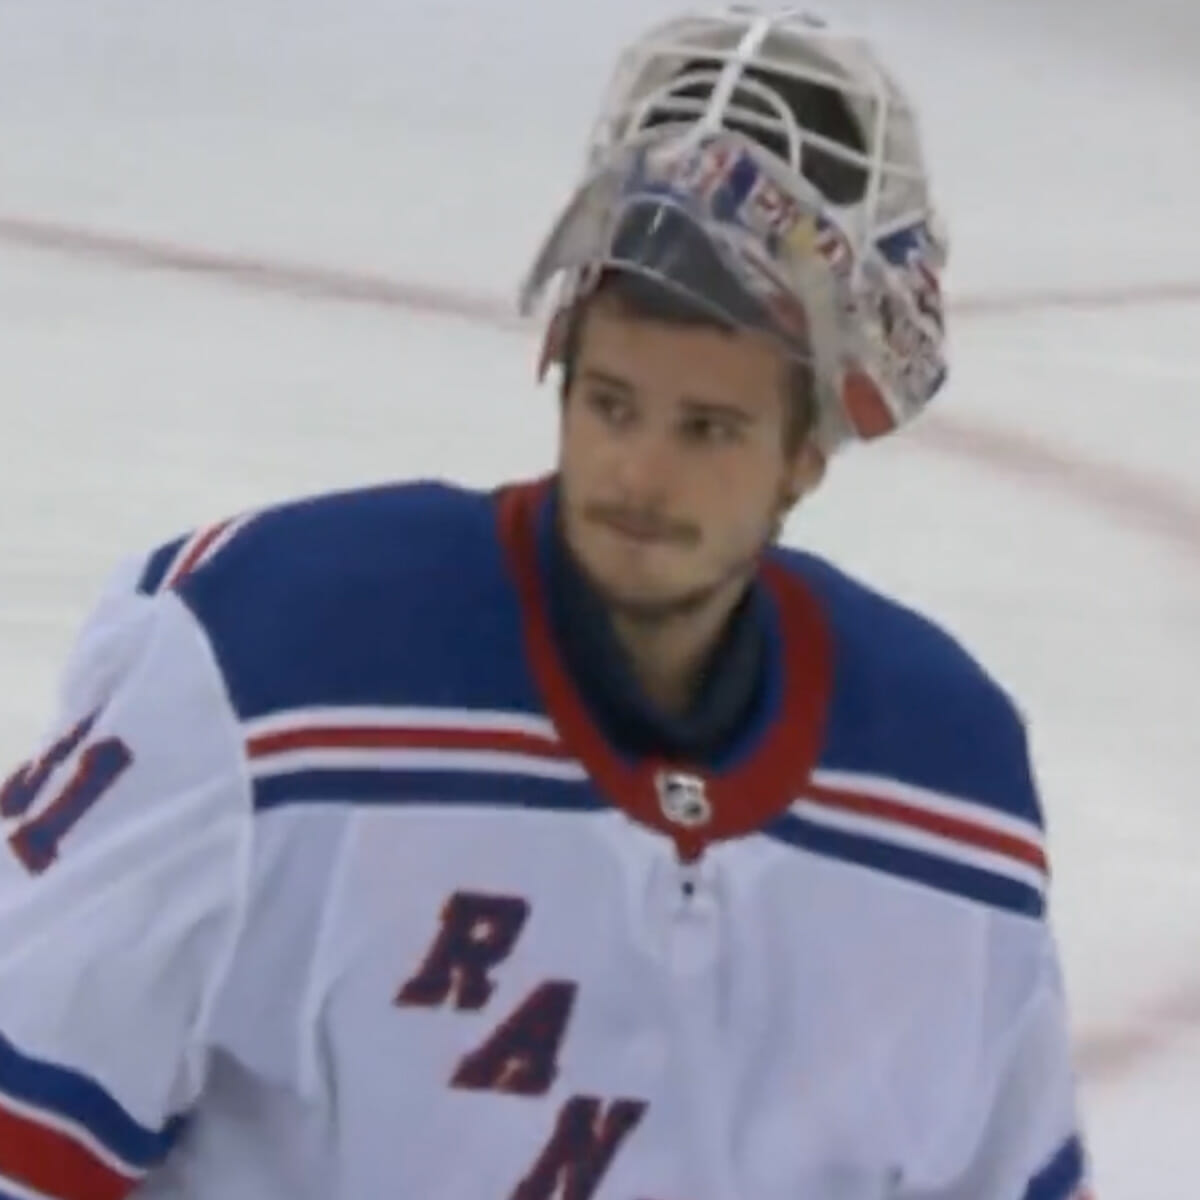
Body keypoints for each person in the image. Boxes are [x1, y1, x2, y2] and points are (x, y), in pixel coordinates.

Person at [0, 7, 1091, 1198]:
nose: (637, 477)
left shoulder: (951, 790)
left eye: (708, 430)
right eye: (612, 403)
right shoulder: (265, 670)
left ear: (804, 457)